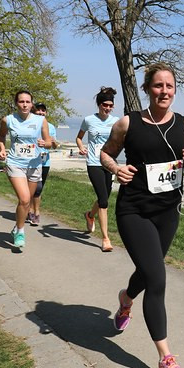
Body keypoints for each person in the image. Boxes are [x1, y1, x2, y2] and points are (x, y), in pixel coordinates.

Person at [100, 63, 184, 368]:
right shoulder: (128, 123)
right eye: (158, 86)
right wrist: (116, 169)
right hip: (134, 211)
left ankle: (126, 299)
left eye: (169, 86)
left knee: (148, 270)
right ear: (147, 89)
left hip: (168, 211)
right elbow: (105, 154)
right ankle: (166, 359)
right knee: (157, 279)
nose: (164, 92)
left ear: (175, 90)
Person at [0, 90, 52, 251]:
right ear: (16, 103)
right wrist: (2, 149)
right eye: (21, 101)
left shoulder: (41, 120)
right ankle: (20, 232)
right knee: (25, 199)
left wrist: (44, 143)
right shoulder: (8, 120)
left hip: (34, 164)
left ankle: (16, 226)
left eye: (28, 102)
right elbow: (1, 137)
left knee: (27, 201)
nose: (25, 105)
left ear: (32, 104)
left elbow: (49, 142)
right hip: (15, 163)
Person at [76, 87, 120, 252]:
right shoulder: (88, 120)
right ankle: (106, 239)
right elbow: (79, 137)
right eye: (104, 105)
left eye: (110, 105)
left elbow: (120, 140)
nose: (107, 108)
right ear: (98, 104)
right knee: (103, 200)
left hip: (109, 163)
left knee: (105, 197)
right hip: (94, 162)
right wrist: (81, 147)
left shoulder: (116, 121)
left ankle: (89, 215)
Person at [28, 102, 61, 227]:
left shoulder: (50, 126)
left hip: (45, 161)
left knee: (39, 188)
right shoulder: (30, 124)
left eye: (43, 111)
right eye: (38, 110)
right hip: (31, 160)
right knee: (32, 187)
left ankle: (35, 211)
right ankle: (32, 211)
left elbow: (54, 145)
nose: (41, 113)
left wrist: (53, 143)